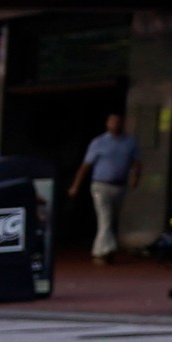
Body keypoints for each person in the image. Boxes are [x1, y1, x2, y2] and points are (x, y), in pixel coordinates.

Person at [68, 113, 138, 265]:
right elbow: (85, 166)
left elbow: (136, 162)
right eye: (112, 122)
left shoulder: (130, 143)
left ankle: (109, 249)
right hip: (101, 185)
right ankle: (100, 251)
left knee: (113, 219)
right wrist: (75, 185)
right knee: (104, 217)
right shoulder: (99, 142)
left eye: (118, 122)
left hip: (119, 186)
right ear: (107, 124)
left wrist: (135, 177)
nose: (115, 124)